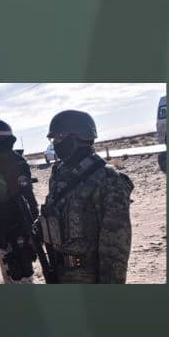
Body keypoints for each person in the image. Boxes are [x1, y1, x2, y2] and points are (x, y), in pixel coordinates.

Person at [37, 109, 134, 284]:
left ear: (80, 137)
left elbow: (115, 248)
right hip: (59, 272)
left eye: (60, 137)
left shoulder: (108, 179)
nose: (56, 143)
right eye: (54, 139)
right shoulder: (59, 174)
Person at [0, 119, 39, 284]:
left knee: (21, 280)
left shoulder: (16, 166)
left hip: (17, 238)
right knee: (9, 279)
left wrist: (29, 237)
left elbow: (29, 203)